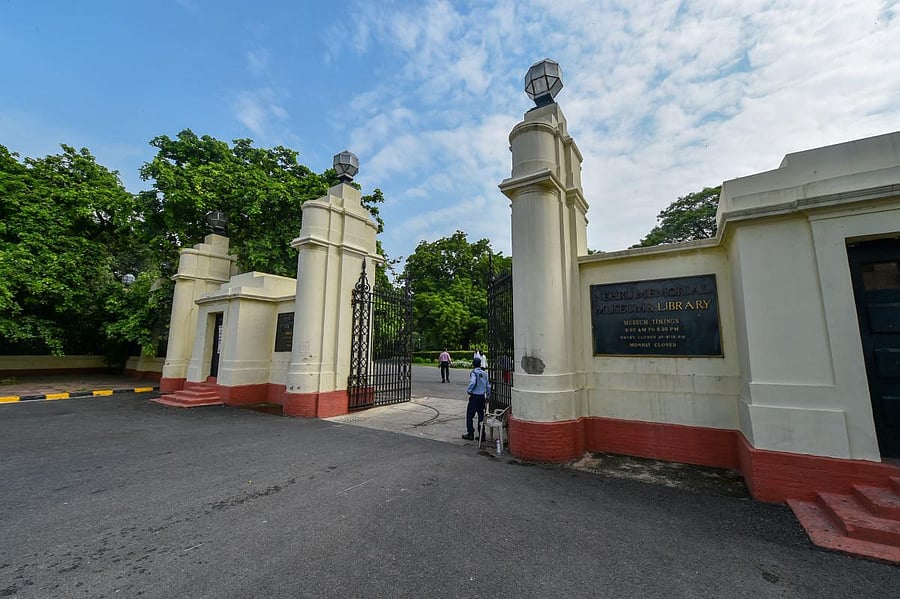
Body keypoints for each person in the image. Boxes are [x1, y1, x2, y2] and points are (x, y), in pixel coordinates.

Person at [462, 357, 491, 440]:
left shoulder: (474, 372)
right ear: (480, 364)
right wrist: (488, 396)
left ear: (473, 364)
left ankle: (470, 433)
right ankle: (482, 434)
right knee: (481, 416)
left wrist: (469, 390)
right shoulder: (484, 373)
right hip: (482, 397)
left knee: (470, 415)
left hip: (475, 396)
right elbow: (488, 386)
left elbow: (473, 382)